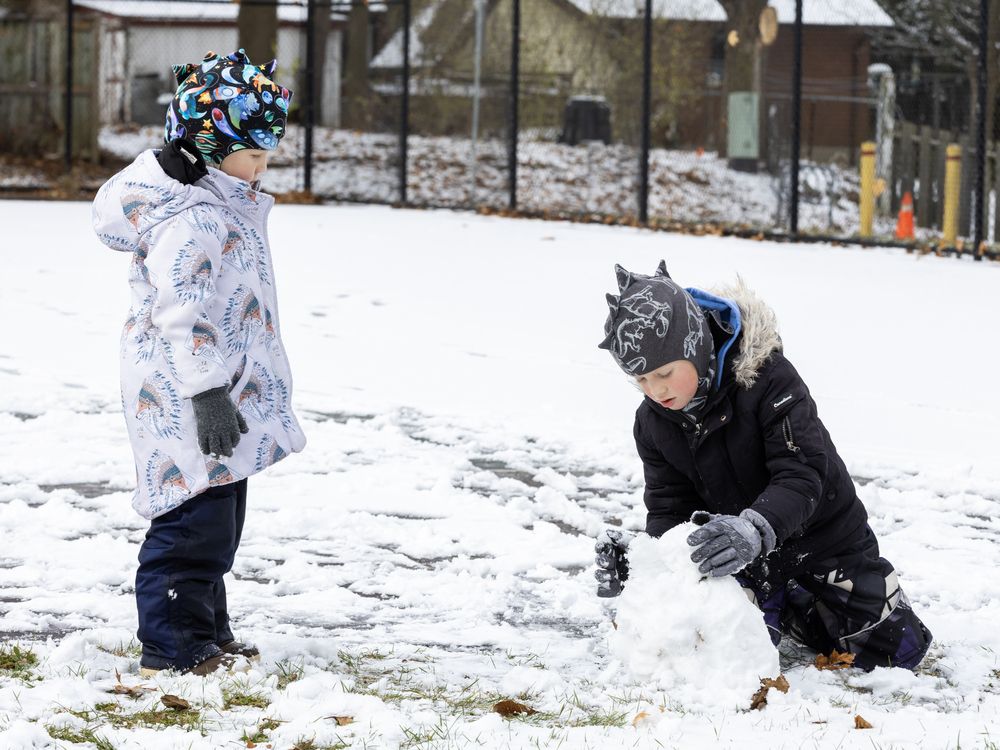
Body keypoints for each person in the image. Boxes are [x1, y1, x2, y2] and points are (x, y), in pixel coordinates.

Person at [593, 261, 931, 671]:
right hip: (740, 557)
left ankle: (805, 601)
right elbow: (670, 507)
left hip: (823, 539)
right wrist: (652, 567)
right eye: (641, 379)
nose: (655, 390)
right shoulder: (652, 422)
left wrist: (755, 528)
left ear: (695, 347)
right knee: (726, 657)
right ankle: (778, 604)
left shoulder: (769, 381)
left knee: (897, 653)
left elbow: (802, 472)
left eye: (664, 373)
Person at [92, 50, 306, 676]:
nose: (263, 164)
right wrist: (208, 393)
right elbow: (182, 315)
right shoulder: (193, 219)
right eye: (253, 151)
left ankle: (206, 629)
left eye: (268, 150)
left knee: (218, 522)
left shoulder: (223, 206)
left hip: (218, 393)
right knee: (190, 523)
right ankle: (173, 646)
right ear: (208, 147)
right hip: (187, 396)